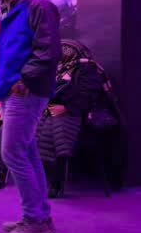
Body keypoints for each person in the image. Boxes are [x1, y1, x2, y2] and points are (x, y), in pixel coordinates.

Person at [0, 0, 61, 233]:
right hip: (12, 92)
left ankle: (35, 221)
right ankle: (40, 217)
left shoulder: (39, 7)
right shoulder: (12, 11)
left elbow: (48, 53)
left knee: (12, 153)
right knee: (27, 153)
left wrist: (23, 81)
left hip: (25, 92)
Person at [37, 40, 106, 198]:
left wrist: (67, 108)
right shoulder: (60, 69)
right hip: (52, 111)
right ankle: (47, 181)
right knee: (41, 134)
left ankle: (56, 183)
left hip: (76, 113)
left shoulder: (87, 68)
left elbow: (89, 96)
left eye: (65, 49)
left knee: (59, 137)